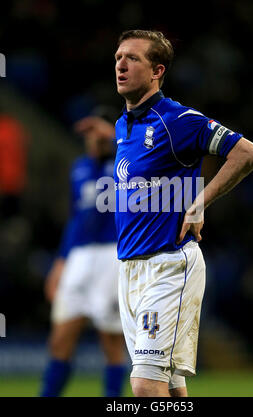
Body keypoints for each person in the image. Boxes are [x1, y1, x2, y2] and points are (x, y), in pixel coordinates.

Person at [112, 29, 253, 397]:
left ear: (157, 71)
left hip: (168, 264)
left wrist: (198, 203)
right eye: (118, 57)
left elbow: (249, 153)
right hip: (130, 270)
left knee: (146, 386)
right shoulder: (122, 125)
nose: (121, 64)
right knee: (171, 388)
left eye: (132, 58)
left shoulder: (177, 120)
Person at [39, 112, 127, 397]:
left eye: (98, 131)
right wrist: (59, 264)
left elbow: (153, 152)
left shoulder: (127, 165)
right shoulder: (78, 168)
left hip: (112, 255)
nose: (94, 138)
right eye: (89, 132)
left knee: (111, 342)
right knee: (59, 339)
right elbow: (75, 218)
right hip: (78, 258)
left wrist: (115, 137)